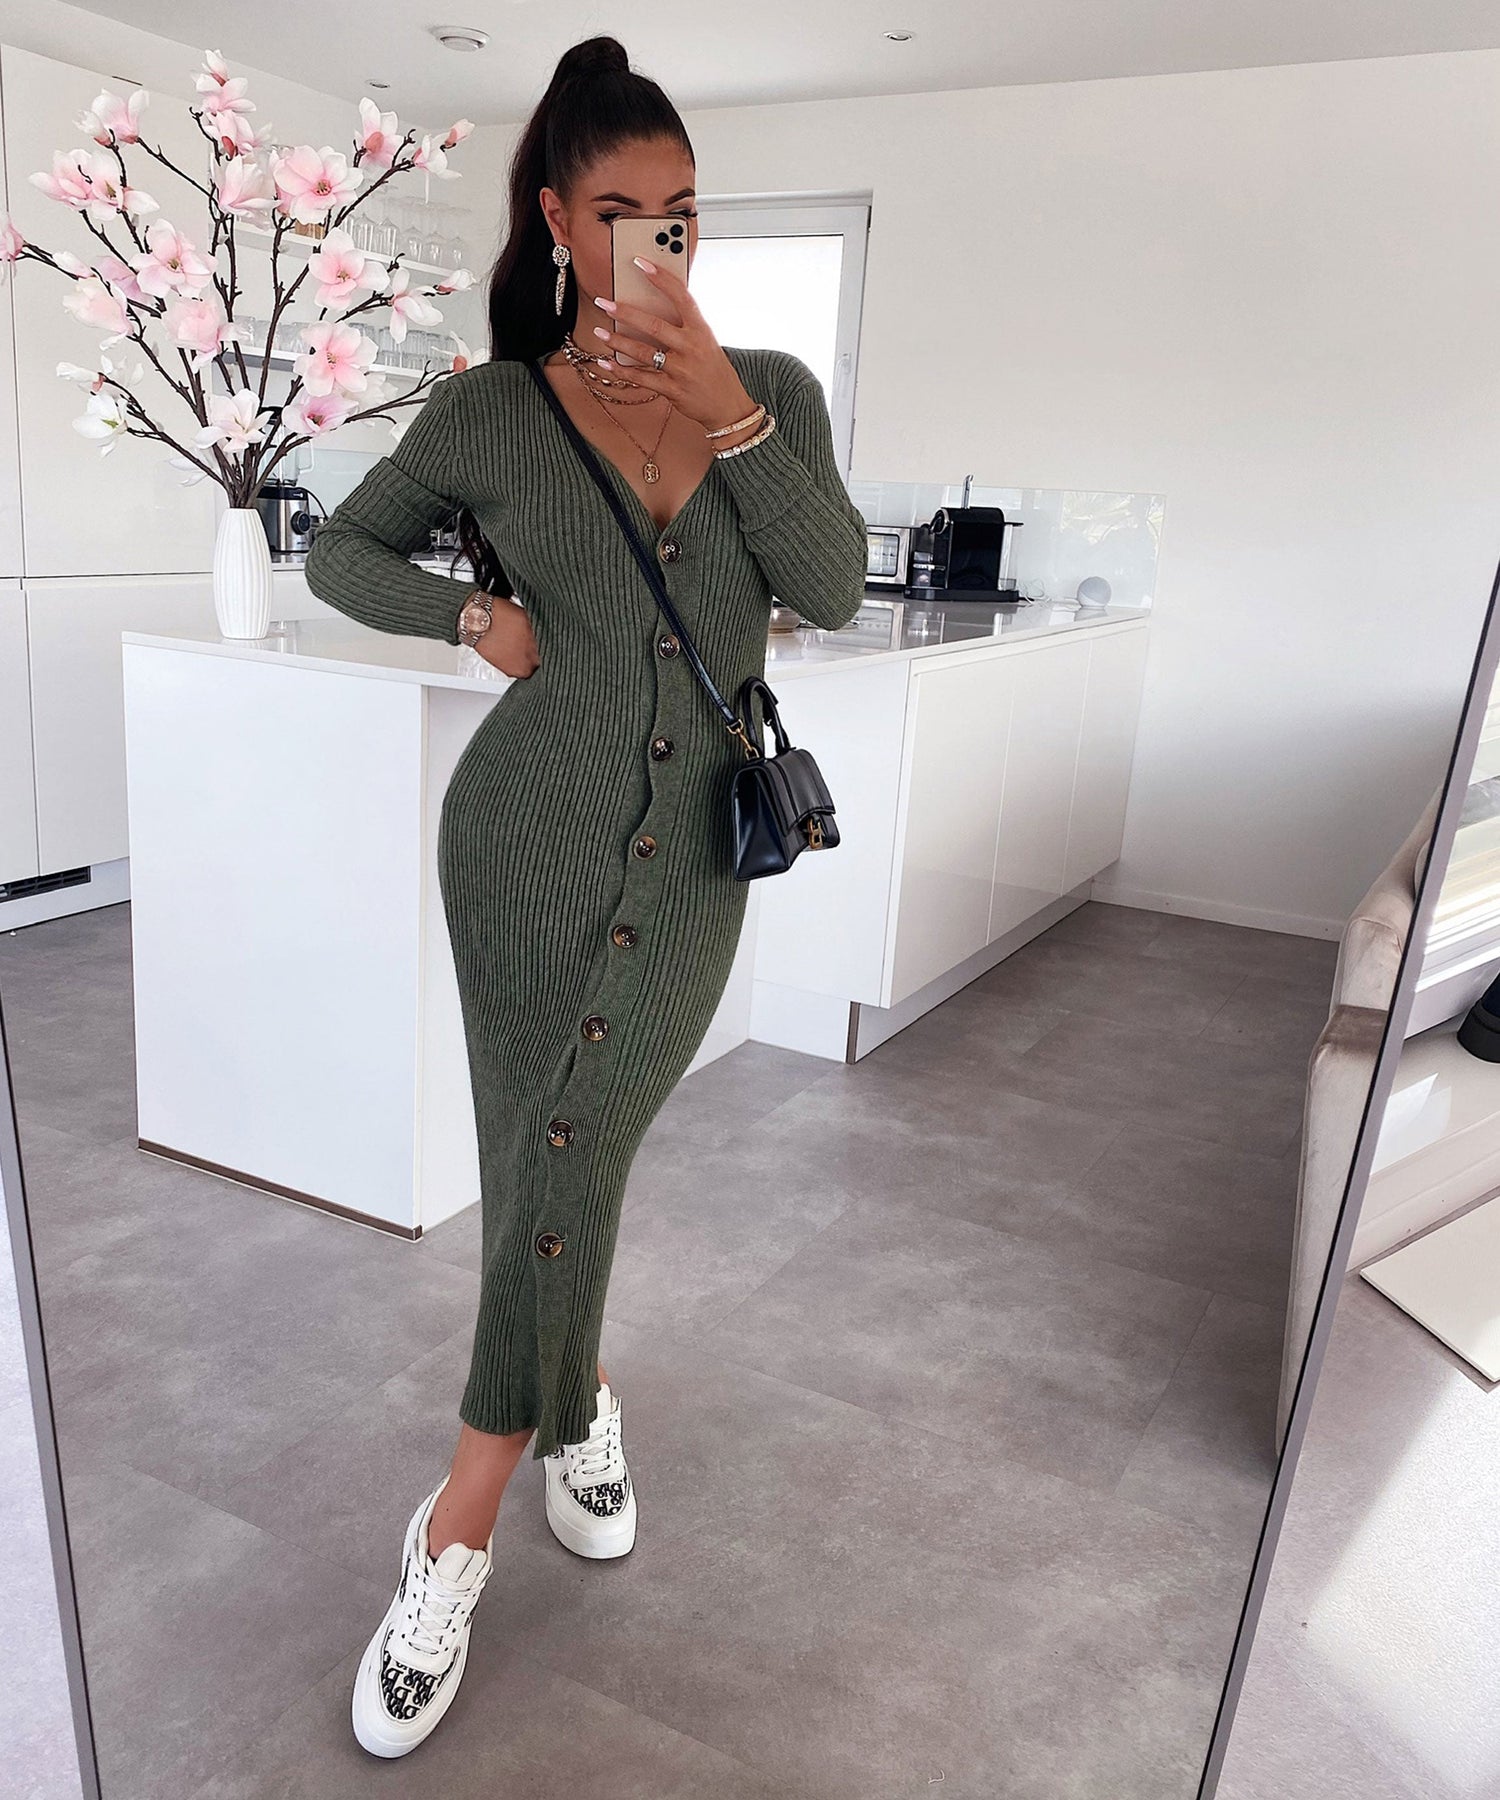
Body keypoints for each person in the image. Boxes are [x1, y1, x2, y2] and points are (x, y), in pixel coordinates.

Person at [302, 32, 868, 1758]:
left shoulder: (772, 387)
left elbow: (832, 585)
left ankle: (556, 1416)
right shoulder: (491, 409)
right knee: (549, 1147)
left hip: (696, 859)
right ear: (558, 220)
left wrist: (728, 413)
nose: (658, 242)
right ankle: (478, 1504)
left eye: (683, 210)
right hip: (524, 841)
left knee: (579, 1145)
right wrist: (474, 618)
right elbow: (341, 545)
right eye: (621, 210)